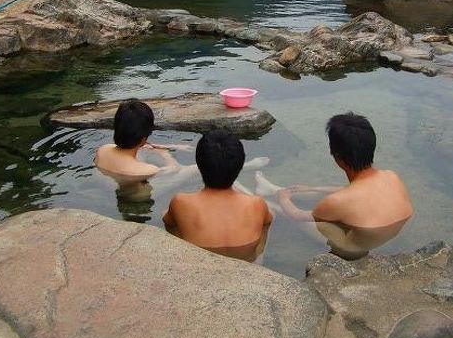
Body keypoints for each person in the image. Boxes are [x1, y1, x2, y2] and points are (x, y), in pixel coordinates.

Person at [276, 113, 413, 258]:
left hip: (352, 249)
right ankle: (272, 188)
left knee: (303, 217)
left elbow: (296, 215)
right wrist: (313, 188)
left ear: (336, 156)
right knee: (332, 205)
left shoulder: (336, 202)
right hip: (388, 236)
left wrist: (283, 198)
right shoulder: (392, 176)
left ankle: (273, 198)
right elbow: (353, 192)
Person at [163, 129, 273, 262]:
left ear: (198, 164)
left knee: (168, 214)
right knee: (268, 216)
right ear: (240, 165)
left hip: (198, 265)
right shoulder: (257, 204)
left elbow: (168, 223)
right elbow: (267, 223)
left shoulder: (181, 201)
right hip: (247, 264)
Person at [95, 100, 179, 194]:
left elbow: (140, 145)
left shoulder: (102, 150)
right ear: (144, 138)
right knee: (193, 170)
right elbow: (174, 169)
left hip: (106, 188)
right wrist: (165, 154)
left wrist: (173, 146)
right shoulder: (149, 170)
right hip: (135, 197)